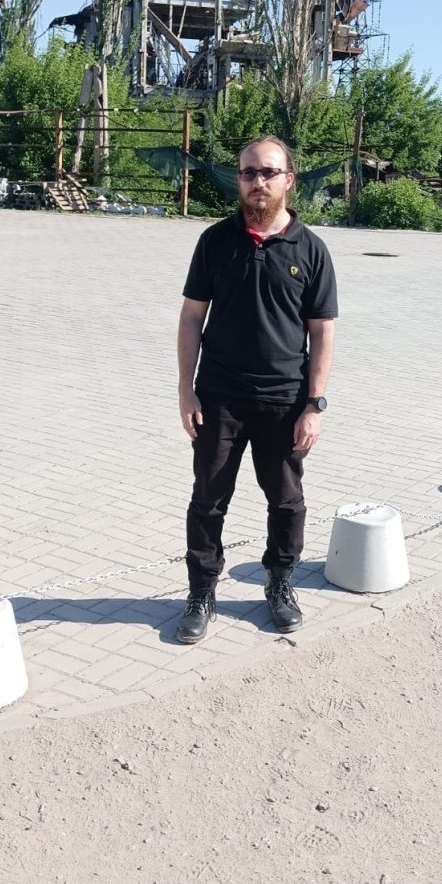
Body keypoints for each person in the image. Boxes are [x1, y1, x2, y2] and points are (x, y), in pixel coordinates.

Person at [176, 135, 338, 644]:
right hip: (219, 397)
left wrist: (313, 405)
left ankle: (279, 583)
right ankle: (201, 593)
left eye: (269, 172)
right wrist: (186, 389)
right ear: (239, 179)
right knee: (208, 499)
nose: (258, 181)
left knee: (286, 501)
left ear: (289, 180)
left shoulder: (310, 249)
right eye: (248, 172)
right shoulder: (215, 241)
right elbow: (191, 318)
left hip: (284, 401)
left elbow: (322, 331)